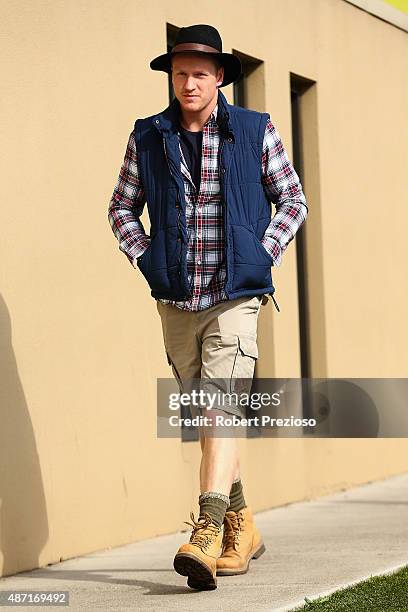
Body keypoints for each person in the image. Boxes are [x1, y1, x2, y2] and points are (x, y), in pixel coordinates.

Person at [108, 24, 308, 591]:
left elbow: (292, 200)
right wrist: (149, 261)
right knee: (209, 419)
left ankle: (208, 529)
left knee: (221, 408)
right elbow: (122, 208)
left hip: (236, 297)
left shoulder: (254, 129)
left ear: (220, 77)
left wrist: (259, 255)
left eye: (199, 72)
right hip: (176, 299)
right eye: (180, 72)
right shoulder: (148, 137)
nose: (188, 82)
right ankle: (243, 526)